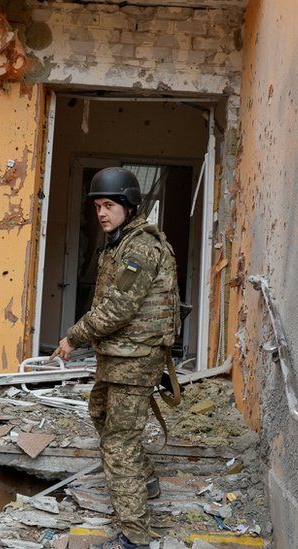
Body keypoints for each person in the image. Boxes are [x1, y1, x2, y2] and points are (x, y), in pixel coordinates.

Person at [51, 167, 180, 549]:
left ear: (128, 206)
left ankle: (134, 538)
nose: (102, 213)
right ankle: (146, 480)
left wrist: (74, 336)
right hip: (118, 355)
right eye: (97, 207)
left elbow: (120, 306)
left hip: (135, 359)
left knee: (119, 442)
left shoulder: (140, 247)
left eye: (109, 205)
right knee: (100, 414)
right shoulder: (119, 243)